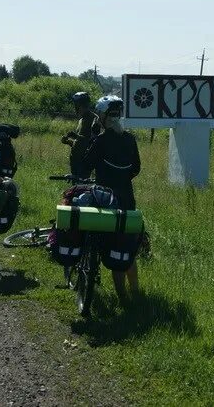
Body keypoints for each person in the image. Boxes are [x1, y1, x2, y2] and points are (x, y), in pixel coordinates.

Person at [81, 95, 141, 303]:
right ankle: (134, 294)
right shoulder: (130, 139)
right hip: (127, 199)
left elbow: (86, 164)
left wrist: (93, 137)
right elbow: (136, 168)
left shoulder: (101, 140)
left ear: (104, 117)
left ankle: (122, 297)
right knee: (125, 247)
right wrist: (122, 179)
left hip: (104, 199)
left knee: (107, 243)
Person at [60, 91, 100, 178]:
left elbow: (93, 141)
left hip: (84, 162)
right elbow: (79, 143)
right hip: (75, 161)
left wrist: (75, 136)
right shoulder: (81, 120)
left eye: (77, 105)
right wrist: (68, 142)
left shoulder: (94, 119)